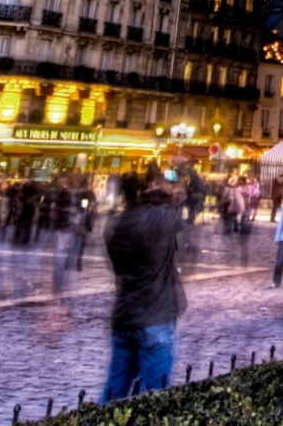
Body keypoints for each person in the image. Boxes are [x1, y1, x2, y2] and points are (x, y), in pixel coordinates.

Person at [101, 171, 185, 402]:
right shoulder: (161, 219)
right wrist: (176, 187)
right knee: (154, 396)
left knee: (114, 389)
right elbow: (184, 212)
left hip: (125, 313)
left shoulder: (117, 223)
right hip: (155, 314)